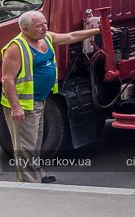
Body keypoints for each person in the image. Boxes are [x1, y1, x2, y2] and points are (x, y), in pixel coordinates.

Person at [1, 11, 110, 183]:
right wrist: (15, 107)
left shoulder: (46, 39)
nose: (44, 28)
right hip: (24, 103)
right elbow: (7, 80)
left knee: (36, 142)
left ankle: (38, 173)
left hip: (40, 99)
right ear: (25, 28)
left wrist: (97, 31)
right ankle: (29, 184)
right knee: (25, 147)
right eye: (39, 26)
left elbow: (71, 36)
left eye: (45, 24)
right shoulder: (16, 48)